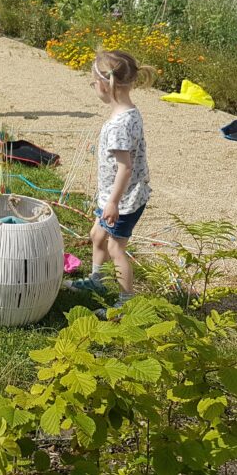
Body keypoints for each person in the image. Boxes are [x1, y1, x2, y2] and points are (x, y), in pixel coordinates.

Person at [66, 50, 156, 319]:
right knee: (97, 235)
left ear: (105, 84)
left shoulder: (119, 125)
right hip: (115, 197)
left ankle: (126, 302)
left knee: (116, 247)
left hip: (123, 201)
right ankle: (96, 279)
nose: (94, 87)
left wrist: (113, 203)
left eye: (93, 82)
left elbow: (125, 167)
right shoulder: (129, 113)